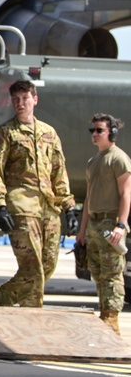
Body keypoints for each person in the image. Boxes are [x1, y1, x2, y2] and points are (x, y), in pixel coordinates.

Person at [0, 80, 77, 307]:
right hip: (21, 205)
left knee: (48, 265)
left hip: (49, 206)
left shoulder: (49, 133)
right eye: (16, 99)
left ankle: (2, 296)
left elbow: (59, 171)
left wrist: (69, 207)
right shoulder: (4, 133)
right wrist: (0, 205)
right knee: (32, 268)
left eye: (25, 98)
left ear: (35, 100)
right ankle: (31, 317)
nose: (20, 103)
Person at [76, 114, 131, 334]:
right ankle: (104, 312)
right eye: (93, 131)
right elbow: (89, 198)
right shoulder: (93, 161)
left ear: (112, 133)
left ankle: (112, 318)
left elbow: (127, 193)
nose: (95, 134)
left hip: (110, 222)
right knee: (97, 272)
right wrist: (82, 231)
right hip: (95, 224)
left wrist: (121, 224)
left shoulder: (119, 158)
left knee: (112, 273)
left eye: (99, 130)